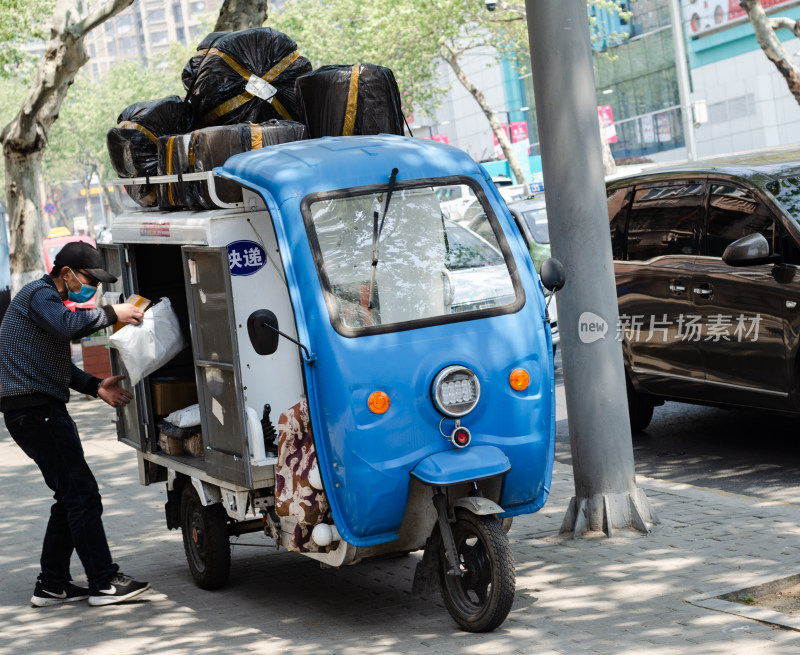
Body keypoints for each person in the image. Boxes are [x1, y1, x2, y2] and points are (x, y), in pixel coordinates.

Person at [0, 241, 150, 608]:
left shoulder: (43, 303)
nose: (93, 288)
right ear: (65, 273)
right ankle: (103, 581)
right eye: (88, 279)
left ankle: (52, 584)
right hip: (37, 412)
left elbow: (54, 364)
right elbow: (68, 327)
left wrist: (95, 386)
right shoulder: (40, 295)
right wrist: (113, 311)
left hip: (34, 410)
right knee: (82, 494)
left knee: (69, 497)